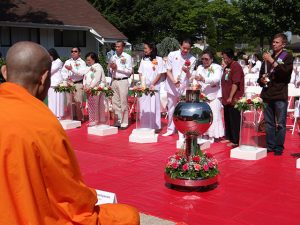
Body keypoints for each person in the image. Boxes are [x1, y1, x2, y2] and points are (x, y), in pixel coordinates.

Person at [0, 41, 139, 225]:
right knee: (128, 216)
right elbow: (71, 196)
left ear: (4, 72)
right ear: (44, 78)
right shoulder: (44, 123)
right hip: (32, 215)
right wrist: (92, 195)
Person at [258, 33, 293, 155]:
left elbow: (285, 73)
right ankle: (270, 145)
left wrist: (271, 60)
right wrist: (261, 80)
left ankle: (279, 147)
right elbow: (261, 74)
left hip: (279, 94)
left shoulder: (287, 56)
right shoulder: (269, 56)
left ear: (283, 44)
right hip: (267, 93)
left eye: (277, 42)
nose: (274, 44)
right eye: (273, 42)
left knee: (281, 124)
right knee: (269, 123)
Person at [162, 38, 196, 136]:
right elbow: (167, 70)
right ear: (180, 46)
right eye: (184, 48)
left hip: (183, 87)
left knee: (182, 108)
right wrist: (174, 81)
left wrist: (187, 71)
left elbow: (190, 77)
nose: (185, 50)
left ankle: (182, 130)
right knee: (171, 107)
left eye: (188, 49)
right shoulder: (172, 54)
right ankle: (170, 129)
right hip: (172, 84)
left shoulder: (192, 59)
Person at [193, 50, 224, 142]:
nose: (204, 61)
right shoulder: (199, 67)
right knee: (204, 116)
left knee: (214, 115)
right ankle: (204, 133)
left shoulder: (217, 67)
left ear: (211, 59)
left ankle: (213, 135)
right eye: (202, 59)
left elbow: (217, 79)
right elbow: (195, 78)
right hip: (203, 95)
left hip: (215, 95)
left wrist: (204, 79)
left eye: (206, 59)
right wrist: (196, 84)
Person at [138, 42, 166, 131]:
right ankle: (144, 125)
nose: (144, 50)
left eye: (146, 48)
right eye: (144, 48)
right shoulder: (143, 59)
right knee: (144, 105)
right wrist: (142, 83)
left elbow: (159, 73)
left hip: (154, 86)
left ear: (151, 49)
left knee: (154, 105)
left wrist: (152, 83)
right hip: (144, 86)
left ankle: (155, 126)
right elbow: (140, 72)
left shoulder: (159, 59)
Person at [221, 48, 245, 147]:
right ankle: (229, 137)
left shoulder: (236, 66)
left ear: (231, 57)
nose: (224, 60)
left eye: (226, 58)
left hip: (233, 97)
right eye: (223, 58)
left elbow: (236, 83)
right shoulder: (228, 67)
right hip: (226, 97)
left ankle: (235, 140)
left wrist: (231, 96)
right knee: (227, 118)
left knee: (234, 118)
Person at [109, 41, 132, 129]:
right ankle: (117, 121)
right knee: (115, 102)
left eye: (119, 46)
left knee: (123, 101)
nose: (117, 48)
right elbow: (110, 70)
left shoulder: (127, 57)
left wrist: (117, 69)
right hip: (114, 80)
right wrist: (112, 68)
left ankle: (124, 122)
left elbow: (129, 71)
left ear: (123, 47)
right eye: (116, 46)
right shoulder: (113, 57)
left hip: (123, 80)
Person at [61, 47, 86, 121]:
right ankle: (71, 119)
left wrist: (72, 69)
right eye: (72, 51)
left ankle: (80, 119)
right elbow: (63, 72)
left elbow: (81, 74)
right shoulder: (67, 61)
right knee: (69, 103)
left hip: (78, 83)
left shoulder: (82, 62)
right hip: (69, 83)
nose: (73, 53)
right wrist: (66, 78)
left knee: (78, 102)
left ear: (79, 53)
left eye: (75, 51)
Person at [81, 52, 106, 126]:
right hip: (89, 89)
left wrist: (90, 87)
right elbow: (85, 78)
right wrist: (84, 85)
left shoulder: (98, 66)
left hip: (96, 89)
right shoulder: (88, 68)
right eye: (87, 60)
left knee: (96, 105)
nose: (87, 61)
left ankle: (97, 121)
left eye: (89, 60)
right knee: (90, 105)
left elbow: (97, 79)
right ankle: (92, 120)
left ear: (94, 59)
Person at [47, 48, 64, 119]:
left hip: (57, 83)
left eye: (49, 56)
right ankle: (51, 114)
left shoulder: (58, 61)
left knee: (58, 99)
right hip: (51, 83)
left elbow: (51, 70)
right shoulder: (51, 62)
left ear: (53, 55)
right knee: (51, 99)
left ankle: (58, 115)